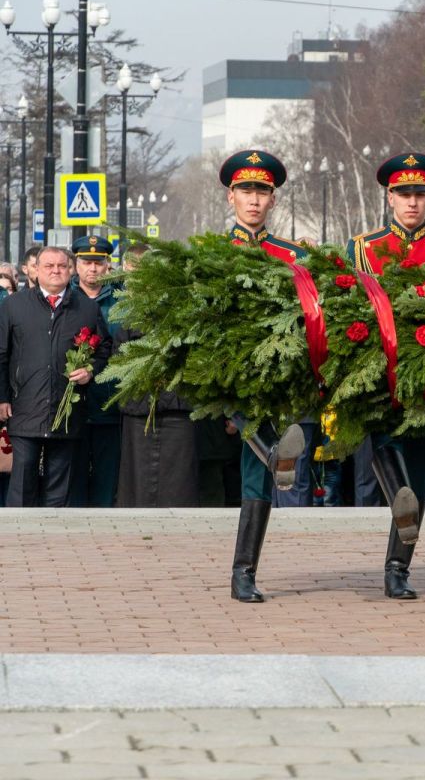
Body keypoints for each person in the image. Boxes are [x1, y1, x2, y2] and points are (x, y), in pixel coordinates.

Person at [348, 151, 425, 600]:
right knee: (383, 447)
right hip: (377, 375)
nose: (412, 202)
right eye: (404, 194)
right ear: (389, 197)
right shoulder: (362, 248)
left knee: (418, 474)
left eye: (420, 194)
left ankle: (397, 569)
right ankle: (398, 508)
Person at [220, 149, 309, 602]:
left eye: (261, 191)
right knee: (257, 461)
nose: (253, 200)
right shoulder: (212, 254)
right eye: (245, 190)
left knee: (255, 476)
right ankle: (275, 454)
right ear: (230, 195)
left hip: (273, 380)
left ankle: (243, 573)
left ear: (273, 199)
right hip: (220, 382)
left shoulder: (291, 255)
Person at [0, 245, 111, 506]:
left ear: (70, 269)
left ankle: (53, 537)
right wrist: (2, 397)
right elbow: (2, 353)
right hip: (24, 409)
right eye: (48, 266)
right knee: (23, 484)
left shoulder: (86, 307)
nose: (55, 271)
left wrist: (90, 370)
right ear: (35, 270)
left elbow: (105, 348)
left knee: (59, 490)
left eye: (61, 266)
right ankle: (21, 540)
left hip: (67, 411)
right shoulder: (14, 305)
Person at [112, 243, 200, 507]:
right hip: (141, 408)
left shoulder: (184, 308)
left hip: (178, 408)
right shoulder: (129, 313)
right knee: (137, 482)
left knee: (178, 484)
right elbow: (120, 359)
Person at [67, 236, 122, 507]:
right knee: (71, 475)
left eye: (98, 263)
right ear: (76, 265)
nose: (92, 268)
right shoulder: (65, 298)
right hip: (70, 403)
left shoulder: (122, 299)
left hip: (109, 400)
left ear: (107, 265)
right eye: (86, 262)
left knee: (106, 475)